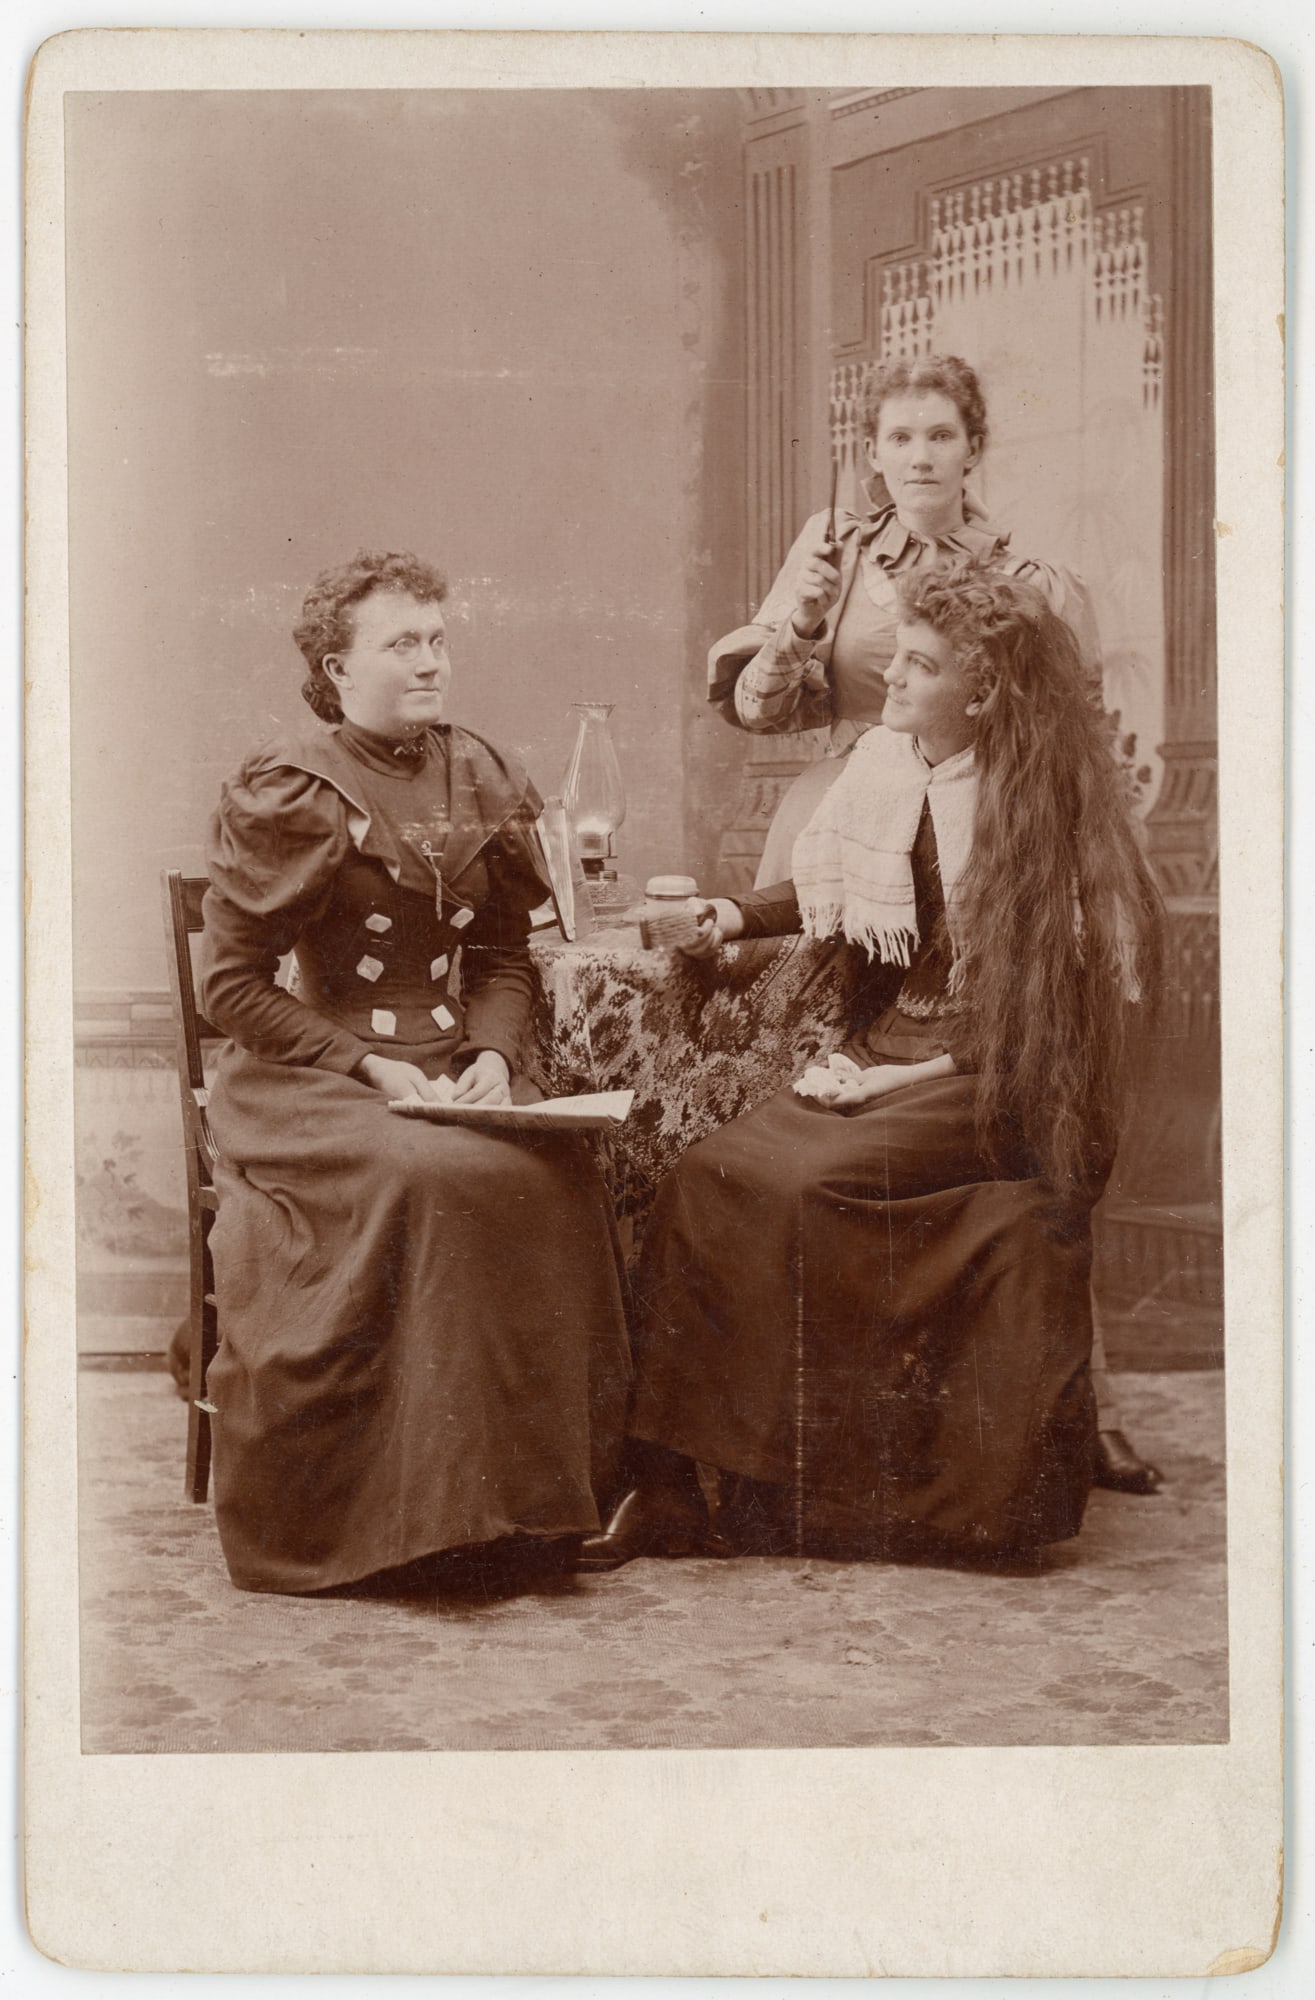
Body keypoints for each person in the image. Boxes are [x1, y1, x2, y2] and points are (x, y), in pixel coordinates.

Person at [580, 558, 1163, 1573]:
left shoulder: (1043, 810)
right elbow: (824, 889)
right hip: (885, 1050)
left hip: (993, 1080)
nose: (890, 676)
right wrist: (724, 913)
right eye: (898, 652)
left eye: (921, 664)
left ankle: (811, 1487)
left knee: (803, 1182)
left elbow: (1041, 1030)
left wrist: (889, 1080)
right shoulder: (892, 764)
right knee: (705, 1176)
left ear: (981, 695)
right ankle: (670, 1480)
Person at [709, 351, 1159, 1496]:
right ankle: (829, 1404)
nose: (918, 457)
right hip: (852, 827)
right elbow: (764, 713)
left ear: (973, 448)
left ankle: (1072, 1402)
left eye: (940, 437)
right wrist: (796, 623)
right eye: (899, 437)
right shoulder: (837, 555)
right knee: (811, 1086)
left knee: (1026, 1102)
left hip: (992, 836)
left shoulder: (1030, 577)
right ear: (873, 450)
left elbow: (1078, 731)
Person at [197, 550, 630, 1593]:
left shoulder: (477, 771)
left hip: (447, 1065)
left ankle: (536, 1513)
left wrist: (489, 1051)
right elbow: (234, 990)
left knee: (557, 1178)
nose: (430, 661)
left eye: (438, 639)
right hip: (319, 1078)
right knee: (434, 1181)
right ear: (337, 670)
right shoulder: (293, 789)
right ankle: (418, 1512)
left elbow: (500, 956)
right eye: (402, 644)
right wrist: (367, 1065)